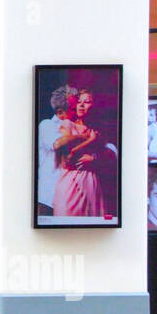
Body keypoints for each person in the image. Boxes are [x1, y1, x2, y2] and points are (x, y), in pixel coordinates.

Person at [53, 88, 105, 218]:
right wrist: (89, 139)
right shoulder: (68, 124)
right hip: (71, 182)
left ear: (93, 106)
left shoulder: (97, 130)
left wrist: (94, 158)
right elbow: (68, 156)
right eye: (79, 101)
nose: (81, 105)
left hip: (90, 182)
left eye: (86, 102)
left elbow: (108, 154)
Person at [36, 85, 74, 216]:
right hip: (48, 196)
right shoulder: (47, 125)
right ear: (60, 112)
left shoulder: (78, 125)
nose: (77, 110)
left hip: (69, 196)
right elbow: (57, 143)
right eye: (73, 108)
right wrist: (83, 136)